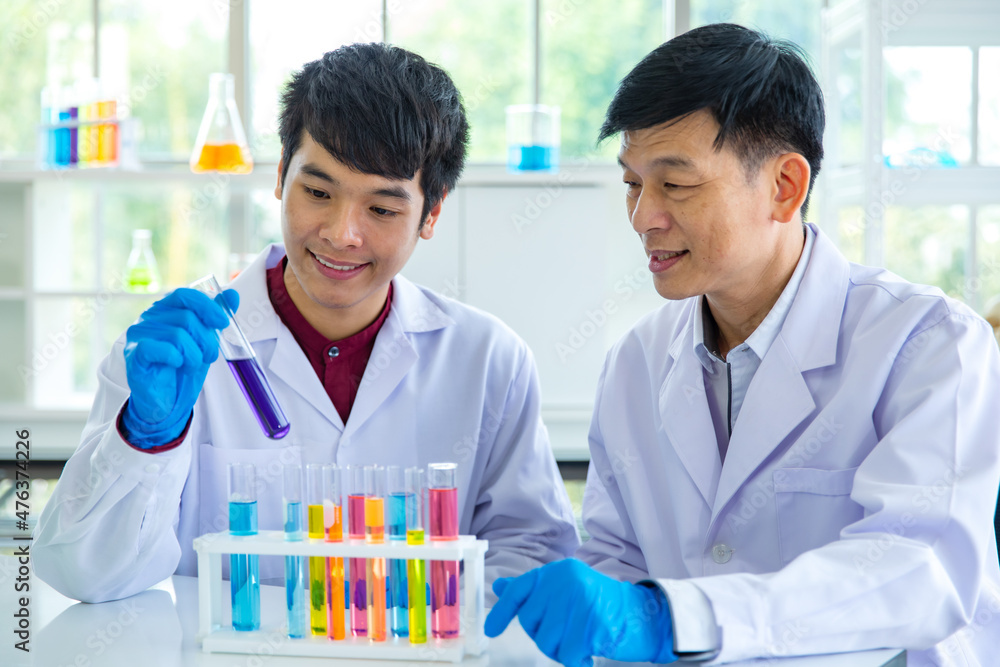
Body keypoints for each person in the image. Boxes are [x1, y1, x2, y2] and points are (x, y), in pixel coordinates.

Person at [485, 23, 1000, 666]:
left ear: (785, 186)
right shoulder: (637, 362)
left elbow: (914, 569)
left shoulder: (927, 344)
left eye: (675, 184)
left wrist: (673, 618)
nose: (644, 215)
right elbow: (619, 557)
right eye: (631, 184)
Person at [35, 42, 579, 603]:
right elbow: (84, 575)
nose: (342, 233)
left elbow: (533, 550)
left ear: (431, 213)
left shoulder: (488, 359)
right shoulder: (179, 349)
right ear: (279, 176)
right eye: (317, 192)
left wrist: (416, 631)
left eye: (383, 210)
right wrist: (146, 438)